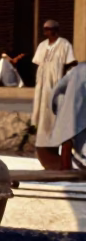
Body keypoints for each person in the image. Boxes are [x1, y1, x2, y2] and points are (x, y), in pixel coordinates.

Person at [31, 19, 77, 169]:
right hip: (43, 86)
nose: (48, 32)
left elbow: (71, 63)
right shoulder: (42, 45)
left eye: (50, 29)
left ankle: (62, 153)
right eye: (46, 29)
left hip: (58, 85)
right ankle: (45, 145)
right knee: (44, 114)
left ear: (56, 30)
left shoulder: (64, 45)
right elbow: (38, 63)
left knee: (57, 114)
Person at [49, 63, 86, 170]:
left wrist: (58, 105)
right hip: (78, 113)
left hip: (70, 112)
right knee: (72, 141)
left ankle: (68, 166)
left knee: (67, 140)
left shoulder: (76, 69)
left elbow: (57, 89)